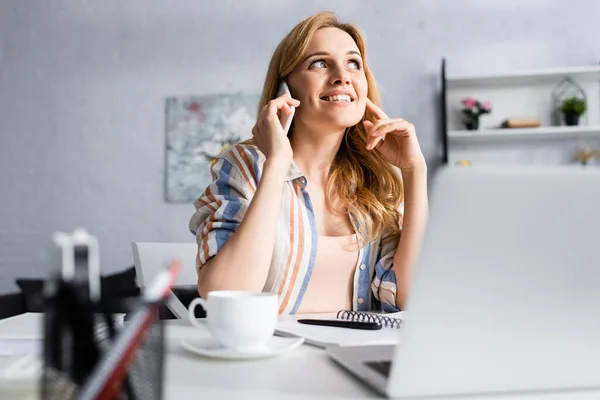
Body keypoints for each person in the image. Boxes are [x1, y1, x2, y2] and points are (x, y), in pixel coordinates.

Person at [189, 11, 428, 315]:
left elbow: (410, 299)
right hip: (271, 355)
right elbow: (223, 294)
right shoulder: (246, 165)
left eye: (354, 63)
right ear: (284, 90)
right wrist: (277, 164)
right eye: (319, 63)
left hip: (354, 354)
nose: (343, 76)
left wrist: (414, 171)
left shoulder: (376, 178)